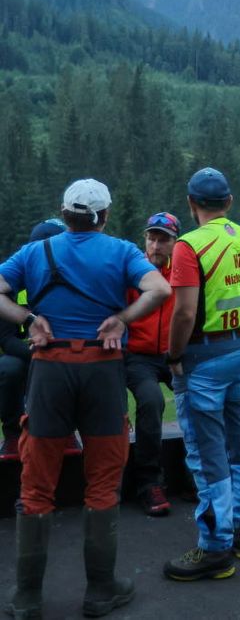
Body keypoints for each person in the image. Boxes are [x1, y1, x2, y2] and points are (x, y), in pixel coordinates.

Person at [0, 179, 170, 618]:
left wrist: (29, 318)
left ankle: (27, 598)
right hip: (103, 372)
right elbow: (160, 290)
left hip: (49, 373)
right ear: (105, 216)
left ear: (64, 211)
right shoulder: (122, 252)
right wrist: (120, 319)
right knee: (102, 480)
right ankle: (99, 591)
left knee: (36, 482)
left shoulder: (35, 253)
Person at [162, 168, 240, 581]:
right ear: (229, 202)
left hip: (203, 358)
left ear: (192, 204)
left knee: (207, 455)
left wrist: (174, 355)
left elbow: (185, 312)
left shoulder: (189, 247)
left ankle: (215, 548)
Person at [123, 212, 181, 517]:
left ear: (175, 243)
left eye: (163, 240)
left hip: (174, 354)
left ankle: (197, 473)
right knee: (150, 400)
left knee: (199, 398)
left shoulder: (183, 270)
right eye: (151, 238)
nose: (155, 246)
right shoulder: (134, 270)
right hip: (138, 356)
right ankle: (148, 483)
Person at [0, 220, 67, 463]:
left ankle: (67, 433)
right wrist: (37, 349)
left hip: (63, 350)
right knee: (8, 369)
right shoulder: (10, 281)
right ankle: (12, 434)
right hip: (23, 351)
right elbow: (6, 339)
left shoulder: (71, 278)